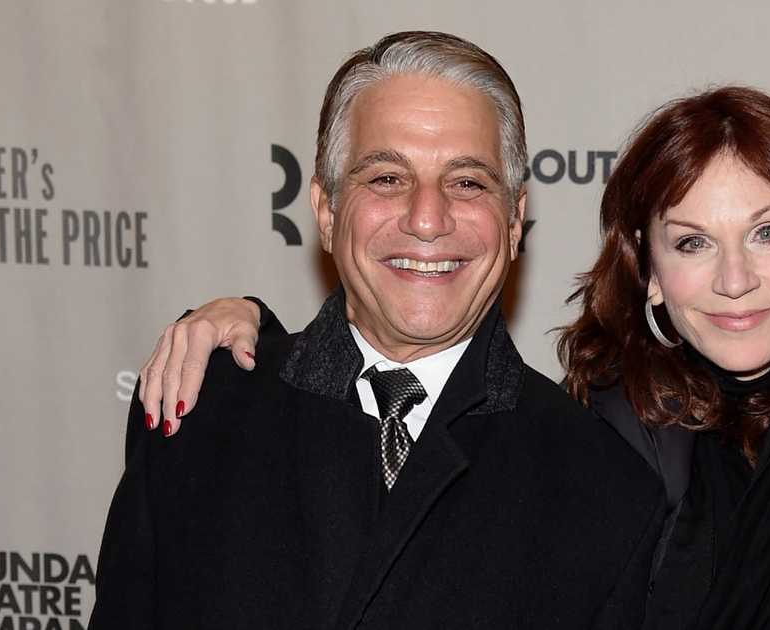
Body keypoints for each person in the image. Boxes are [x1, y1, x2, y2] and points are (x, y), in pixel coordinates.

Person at [140, 87, 770, 629]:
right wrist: (244, 323)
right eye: (692, 242)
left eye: (768, 232)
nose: (734, 280)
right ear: (649, 272)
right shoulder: (613, 418)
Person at [90, 31, 667, 630]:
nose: (426, 218)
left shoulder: (602, 490)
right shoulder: (196, 411)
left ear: (516, 220)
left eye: (467, 182)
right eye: (387, 177)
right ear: (327, 210)